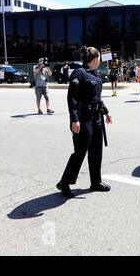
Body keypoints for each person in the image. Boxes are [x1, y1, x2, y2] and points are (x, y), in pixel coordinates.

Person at [57, 46, 113, 198]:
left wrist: (106, 111)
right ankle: (65, 182)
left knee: (96, 151)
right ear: (95, 59)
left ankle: (96, 182)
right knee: (80, 151)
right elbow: (72, 98)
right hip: (84, 118)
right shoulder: (79, 74)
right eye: (99, 58)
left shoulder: (95, 75)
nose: (100, 60)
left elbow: (97, 98)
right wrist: (74, 119)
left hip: (97, 117)